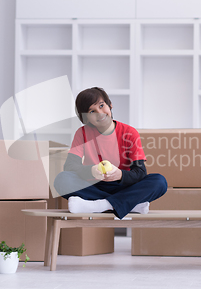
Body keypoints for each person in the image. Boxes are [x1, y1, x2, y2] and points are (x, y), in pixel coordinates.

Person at [54, 87, 167, 219]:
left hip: (124, 186)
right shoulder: (82, 133)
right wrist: (91, 171)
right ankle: (128, 204)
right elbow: (70, 167)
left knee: (160, 181)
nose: (100, 113)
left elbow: (140, 173)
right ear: (86, 118)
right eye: (92, 111)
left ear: (110, 104)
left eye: (102, 106)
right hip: (94, 185)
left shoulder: (130, 132)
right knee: (61, 180)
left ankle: (100, 205)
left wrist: (120, 175)